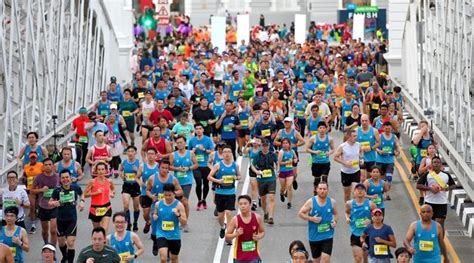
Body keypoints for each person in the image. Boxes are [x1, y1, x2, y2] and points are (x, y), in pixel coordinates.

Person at [146, 159, 183, 255]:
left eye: (166, 168)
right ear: (159, 167)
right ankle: (155, 242)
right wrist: (151, 196)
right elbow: (147, 190)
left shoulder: (173, 179)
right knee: (155, 229)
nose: (164, 170)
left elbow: (180, 191)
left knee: (168, 227)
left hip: (170, 208)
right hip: (157, 207)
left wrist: (172, 194)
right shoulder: (152, 178)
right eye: (162, 167)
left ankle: (168, 248)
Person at [48, 169, 84, 263]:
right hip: (60, 219)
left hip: (72, 219)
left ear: (70, 178)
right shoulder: (57, 190)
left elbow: (82, 194)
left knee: (70, 242)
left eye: (67, 177)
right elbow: (50, 202)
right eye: (63, 178)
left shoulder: (75, 187)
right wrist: (55, 202)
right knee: (61, 243)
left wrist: (82, 202)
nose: (65, 179)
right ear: (60, 179)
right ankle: (65, 256)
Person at [208, 145, 241, 243]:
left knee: (229, 213)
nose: (227, 154)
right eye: (225, 152)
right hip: (220, 192)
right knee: (220, 216)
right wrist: (218, 180)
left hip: (230, 192)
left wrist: (236, 178)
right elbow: (209, 177)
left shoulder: (235, 165)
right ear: (222, 154)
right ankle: (223, 227)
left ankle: (229, 235)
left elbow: (239, 176)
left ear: (231, 154)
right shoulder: (218, 165)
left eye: (229, 152)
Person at [298, 181, 338, 262]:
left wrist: (335, 221)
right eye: (320, 189)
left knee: (325, 259)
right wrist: (312, 219)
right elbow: (300, 213)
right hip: (314, 237)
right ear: (316, 190)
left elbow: (336, 214)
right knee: (316, 260)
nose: (322, 191)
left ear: (327, 190)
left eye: (324, 189)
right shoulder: (311, 202)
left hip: (328, 235)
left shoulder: (332, 202)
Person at [416, 157, 455, 229]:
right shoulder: (428, 174)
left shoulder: (446, 175)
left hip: (442, 203)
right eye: (434, 162)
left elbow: (453, 185)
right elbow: (418, 185)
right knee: (429, 223)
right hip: (429, 202)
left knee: (439, 224)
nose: (436, 164)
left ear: (441, 164)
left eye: (438, 162)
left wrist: (447, 188)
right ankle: (431, 239)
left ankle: (440, 240)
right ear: (431, 164)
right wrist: (430, 189)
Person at [152, 183, 187, 263]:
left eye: (170, 195)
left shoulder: (179, 205)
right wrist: (155, 216)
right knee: (163, 258)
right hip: (161, 234)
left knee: (174, 258)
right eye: (165, 195)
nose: (167, 197)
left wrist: (178, 215)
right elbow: (155, 213)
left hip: (174, 236)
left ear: (174, 193)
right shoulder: (158, 204)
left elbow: (184, 222)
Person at [169, 135, 198, 231]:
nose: (179, 144)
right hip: (176, 182)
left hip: (187, 181)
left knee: (184, 201)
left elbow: (196, 164)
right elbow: (169, 166)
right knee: (176, 202)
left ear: (185, 143)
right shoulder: (173, 154)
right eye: (178, 143)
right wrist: (177, 169)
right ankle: (177, 221)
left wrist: (188, 168)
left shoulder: (190, 153)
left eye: (181, 142)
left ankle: (184, 222)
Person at [225, 195, 265, 263]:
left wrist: (258, 236)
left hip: (254, 256)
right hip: (239, 256)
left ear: (250, 205)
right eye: (240, 204)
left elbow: (262, 232)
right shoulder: (235, 220)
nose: (243, 206)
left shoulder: (257, 218)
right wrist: (236, 234)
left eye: (245, 203)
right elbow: (227, 236)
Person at [345, 183, 377, 263]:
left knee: (365, 259)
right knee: (358, 258)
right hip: (355, 234)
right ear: (354, 192)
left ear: (365, 193)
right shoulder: (349, 203)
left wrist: (371, 221)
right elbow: (347, 212)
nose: (360, 191)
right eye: (357, 190)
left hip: (367, 235)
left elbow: (378, 217)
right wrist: (347, 218)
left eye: (362, 190)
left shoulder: (371, 204)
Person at [31, 158, 59, 245]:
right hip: (43, 206)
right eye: (46, 165)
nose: (48, 167)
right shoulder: (39, 177)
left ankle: (52, 248)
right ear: (43, 166)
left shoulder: (58, 177)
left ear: (53, 166)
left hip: (54, 206)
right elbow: (31, 190)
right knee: (44, 230)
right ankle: (46, 244)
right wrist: (41, 190)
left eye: (50, 164)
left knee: (53, 230)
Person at [188, 123, 215, 210]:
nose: (198, 130)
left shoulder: (208, 139)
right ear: (195, 130)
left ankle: (204, 199)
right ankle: (199, 200)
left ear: (203, 130)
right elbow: (188, 152)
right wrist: (193, 151)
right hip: (196, 165)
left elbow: (212, 151)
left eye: (200, 128)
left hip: (206, 165)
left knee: (206, 183)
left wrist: (204, 150)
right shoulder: (192, 140)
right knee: (198, 183)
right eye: (197, 129)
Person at [250, 139, 278, 224]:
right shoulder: (257, 155)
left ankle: (270, 217)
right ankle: (265, 212)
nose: (265, 147)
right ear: (261, 146)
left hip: (271, 178)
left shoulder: (272, 154)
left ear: (269, 146)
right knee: (263, 199)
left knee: (272, 197)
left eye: (267, 146)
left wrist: (277, 171)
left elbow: (277, 163)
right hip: (261, 179)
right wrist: (256, 171)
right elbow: (252, 165)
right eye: (264, 146)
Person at [84, 162, 115, 234]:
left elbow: (113, 189)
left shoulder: (109, 181)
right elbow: (85, 194)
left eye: (102, 169)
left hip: (106, 207)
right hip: (95, 209)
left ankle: (104, 244)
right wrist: (95, 193)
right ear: (96, 171)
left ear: (106, 171)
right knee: (98, 232)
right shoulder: (92, 182)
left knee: (104, 231)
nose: (101, 171)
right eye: (99, 169)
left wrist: (112, 193)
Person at [306, 122, 335, 192]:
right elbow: (307, 149)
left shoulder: (330, 139)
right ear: (318, 129)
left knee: (324, 179)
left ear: (326, 129)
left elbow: (333, 149)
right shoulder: (313, 138)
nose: (322, 130)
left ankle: (324, 192)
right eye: (320, 128)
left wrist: (329, 153)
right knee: (317, 179)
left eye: (324, 128)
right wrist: (315, 152)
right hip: (316, 162)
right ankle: (316, 191)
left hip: (325, 162)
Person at [137, 147, 160, 234]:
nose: (150, 156)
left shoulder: (159, 166)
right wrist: (140, 183)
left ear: (155, 155)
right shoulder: (143, 166)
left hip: (156, 193)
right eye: (148, 154)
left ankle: (155, 231)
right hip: (145, 192)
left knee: (155, 212)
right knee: (146, 213)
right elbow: (137, 177)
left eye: (152, 154)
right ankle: (148, 222)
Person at [334, 129, 362, 202]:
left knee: (355, 193)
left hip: (356, 171)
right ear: (349, 137)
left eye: (356, 136)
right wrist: (345, 162)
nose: (356, 137)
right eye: (354, 136)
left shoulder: (358, 145)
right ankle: (348, 210)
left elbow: (361, 154)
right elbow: (335, 157)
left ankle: (354, 209)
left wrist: (361, 160)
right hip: (346, 173)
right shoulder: (343, 146)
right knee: (347, 194)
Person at [118, 146, 141, 231]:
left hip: (135, 186)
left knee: (136, 207)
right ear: (127, 153)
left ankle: (135, 222)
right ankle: (128, 223)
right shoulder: (124, 162)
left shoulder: (139, 163)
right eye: (129, 151)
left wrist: (137, 171)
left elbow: (141, 174)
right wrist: (122, 175)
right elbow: (120, 170)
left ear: (135, 153)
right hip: (126, 186)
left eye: (132, 151)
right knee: (126, 205)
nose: (130, 153)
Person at [375, 122, 400, 200]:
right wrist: (379, 151)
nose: (387, 130)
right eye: (386, 128)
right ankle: (381, 193)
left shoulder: (394, 137)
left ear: (391, 128)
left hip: (390, 160)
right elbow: (374, 146)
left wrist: (397, 152)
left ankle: (387, 194)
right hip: (380, 160)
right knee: (381, 179)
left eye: (389, 128)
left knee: (389, 178)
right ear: (383, 128)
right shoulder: (380, 136)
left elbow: (397, 146)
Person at [22, 151, 43, 233]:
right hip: (31, 189)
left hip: (39, 188)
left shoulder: (40, 165)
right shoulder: (26, 166)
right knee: (32, 206)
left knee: (39, 205)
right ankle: (33, 225)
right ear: (29, 158)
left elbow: (45, 173)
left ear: (36, 158)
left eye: (34, 157)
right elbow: (24, 176)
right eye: (31, 158)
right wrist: (24, 180)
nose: (33, 159)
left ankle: (38, 213)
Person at [356, 114, 380, 182]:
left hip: (371, 158)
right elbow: (353, 143)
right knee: (362, 177)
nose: (364, 122)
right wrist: (359, 149)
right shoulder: (357, 131)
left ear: (369, 121)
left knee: (369, 178)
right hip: (361, 157)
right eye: (362, 121)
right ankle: (362, 191)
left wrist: (371, 148)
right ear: (360, 121)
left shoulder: (374, 131)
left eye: (366, 121)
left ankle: (366, 190)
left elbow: (378, 143)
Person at [277, 138, 298, 209]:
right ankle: (282, 193)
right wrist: (286, 162)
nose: (285, 145)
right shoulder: (281, 152)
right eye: (283, 143)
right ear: (282, 145)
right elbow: (279, 162)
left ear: (289, 144)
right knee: (283, 187)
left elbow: (296, 158)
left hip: (289, 171)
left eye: (287, 143)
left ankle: (289, 202)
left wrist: (295, 160)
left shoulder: (292, 151)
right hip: (282, 172)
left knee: (289, 186)